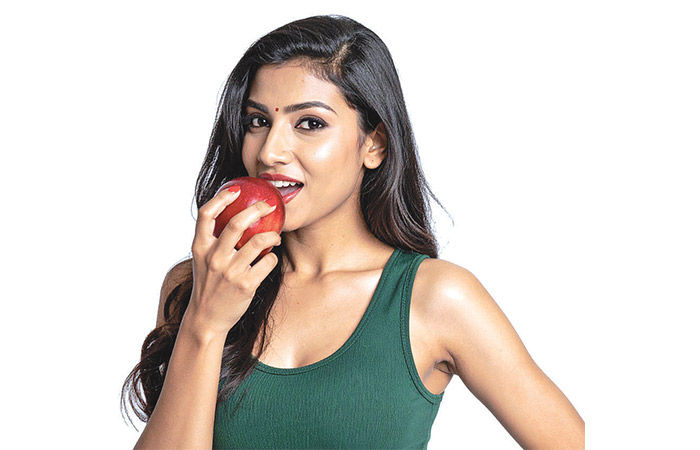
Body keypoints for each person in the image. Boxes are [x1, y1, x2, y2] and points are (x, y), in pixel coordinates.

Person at [122, 14, 584, 449]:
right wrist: (205, 323)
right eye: (258, 121)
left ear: (374, 144)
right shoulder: (195, 285)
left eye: (310, 123)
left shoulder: (437, 298)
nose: (270, 151)